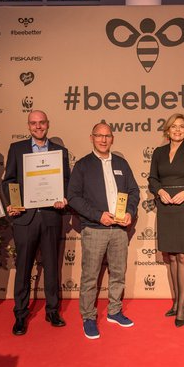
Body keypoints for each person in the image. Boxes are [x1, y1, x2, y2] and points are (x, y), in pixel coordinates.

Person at [67, 122, 139, 340]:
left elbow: (134, 191)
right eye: (99, 135)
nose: (103, 140)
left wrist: (130, 212)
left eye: (107, 136)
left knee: (118, 273)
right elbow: (73, 197)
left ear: (112, 138)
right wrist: (98, 215)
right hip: (95, 228)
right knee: (90, 276)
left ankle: (114, 311)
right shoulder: (82, 165)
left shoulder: (121, 164)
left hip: (119, 230)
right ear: (92, 138)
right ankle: (88, 317)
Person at [2, 110, 70, 335]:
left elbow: (66, 180)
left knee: (52, 267)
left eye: (41, 123)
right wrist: (14, 202)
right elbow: (9, 181)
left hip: (50, 216)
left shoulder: (60, 151)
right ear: (28, 126)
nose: (38, 126)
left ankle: (53, 311)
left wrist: (63, 197)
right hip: (25, 217)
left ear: (48, 124)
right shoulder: (17, 148)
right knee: (23, 268)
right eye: (34, 123)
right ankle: (20, 314)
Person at [148, 113, 184, 327]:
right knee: (172, 257)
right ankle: (175, 302)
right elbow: (152, 179)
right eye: (174, 126)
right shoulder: (159, 152)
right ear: (168, 129)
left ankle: (182, 306)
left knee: (183, 256)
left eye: (182, 126)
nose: (178, 130)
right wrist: (160, 191)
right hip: (166, 207)